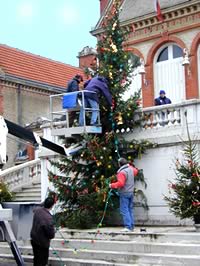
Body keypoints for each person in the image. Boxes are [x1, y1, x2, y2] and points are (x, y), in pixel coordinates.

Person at [109, 158, 138, 232]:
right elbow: (136, 171)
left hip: (124, 193)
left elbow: (121, 183)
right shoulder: (131, 169)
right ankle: (131, 226)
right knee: (130, 209)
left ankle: (128, 227)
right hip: (131, 192)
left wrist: (111, 185)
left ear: (119, 164)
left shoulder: (121, 172)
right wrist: (129, 165)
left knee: (124, 210)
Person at [30, 197, 55, 266]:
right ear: (52, 206)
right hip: (42, 243)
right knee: (42, 261)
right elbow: (51, 235)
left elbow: (38, 206)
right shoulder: (48, 218)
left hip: (34, 239)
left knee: (36, 259)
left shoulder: (37, 210)